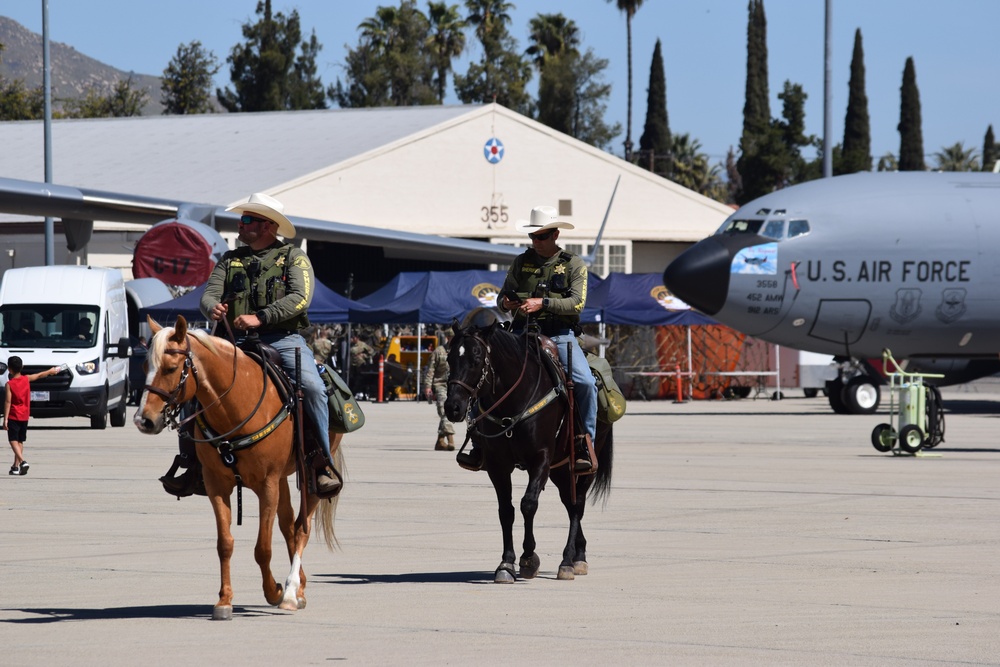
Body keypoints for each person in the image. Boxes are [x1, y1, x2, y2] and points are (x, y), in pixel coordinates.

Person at [159, 192, 341, 497]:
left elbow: (300, 299)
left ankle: (320, 462)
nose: (239, 225)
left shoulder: (293, 257)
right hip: (233, 342)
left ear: (268, 226)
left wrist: (261, 317)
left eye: (246, 219)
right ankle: (192, 462)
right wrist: (211, 308)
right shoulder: (229, 260)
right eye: (241, 219)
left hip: (283, 339)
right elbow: (209, 294)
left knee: (312, 388)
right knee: (194, 385)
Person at [456, 205, 597, 473]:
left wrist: (541, 303)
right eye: (533, 236)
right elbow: (501, 297)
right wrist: (507, 303)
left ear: (555, 234)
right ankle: (477, 441)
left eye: (541, 237)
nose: (536, 242)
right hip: (522, 334)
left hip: (559, 335)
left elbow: (577, 304)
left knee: (586, 383)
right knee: (482, 373)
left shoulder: (573, 264)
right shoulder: (522, 262)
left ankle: (583, 442)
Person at [3, 356, 62, 476]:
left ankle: (23, 461)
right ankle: (15, 466)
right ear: (22, 367)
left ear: (9, 369)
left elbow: (8, 402)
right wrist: (50, 371)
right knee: (20, 440)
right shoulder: (26, 379)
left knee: (12, 440)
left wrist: (5, 419)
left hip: (14, 415)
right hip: (25, 415)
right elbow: (39, 375)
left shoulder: (9, 384)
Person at [423, 328, 454, 451]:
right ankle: (450, 438)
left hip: (454, 387)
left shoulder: (460, 351)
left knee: (449, 412)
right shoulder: (439, 352)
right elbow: (430, 370)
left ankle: (440, 441)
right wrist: (427, 387)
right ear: (447, 337)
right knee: (444, 410)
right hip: (440, 385)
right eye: (451, 336)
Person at [349, 333, 375, 398]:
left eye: (353, 337)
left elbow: (371, 351)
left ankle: (364, 393)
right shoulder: (351, 345)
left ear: (357, 338)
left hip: (360, 365)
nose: (352, 339)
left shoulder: (362, 344)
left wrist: (364, 355)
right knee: (353, 379)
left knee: (361, 380)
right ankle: (353, 393)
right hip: (353, 365)